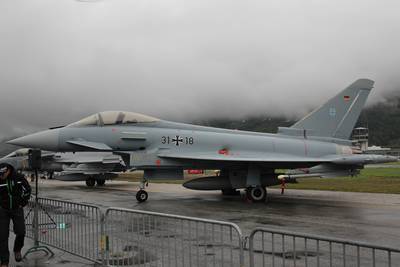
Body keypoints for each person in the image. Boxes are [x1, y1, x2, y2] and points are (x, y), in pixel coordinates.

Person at [0, 164, 31, 267]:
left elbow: (27, 190)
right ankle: (4, 261)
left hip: (17, 209)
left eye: (2, 174)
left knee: (21, 232)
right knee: (2, 236)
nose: (1, 176)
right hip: (3, 210)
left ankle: (17, 250)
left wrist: (22, 202)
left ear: (8, 171)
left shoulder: (18, 177)